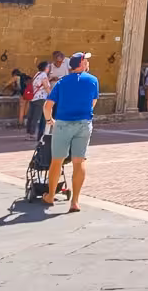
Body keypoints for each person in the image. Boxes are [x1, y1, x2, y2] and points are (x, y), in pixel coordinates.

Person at [44, 52, 99, 211]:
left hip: (63, 124)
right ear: (81, 64)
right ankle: (75, 201)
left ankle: (50, 196)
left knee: (57, 161)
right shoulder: (93, 80)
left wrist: (49, 120)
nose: (88, 63)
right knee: (79, 161)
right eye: (86, 61)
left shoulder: (62, 82)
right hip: (83, 124)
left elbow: (48, 106)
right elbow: (92, 103)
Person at [27, 60, 53, 138]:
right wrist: (52, 95)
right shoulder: (44, 75)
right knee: (37, 117)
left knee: (32, 116)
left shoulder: (37, 74)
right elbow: (46, 87)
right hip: (41, 98)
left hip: (33, 97)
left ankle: (30, 132)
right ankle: (34, 134)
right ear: (46, 68)